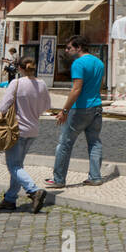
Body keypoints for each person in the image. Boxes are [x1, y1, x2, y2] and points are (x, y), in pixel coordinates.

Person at [0, 57, 53, 213]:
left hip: (17, 129)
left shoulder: (16, 83)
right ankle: (10, 199)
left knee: (13, 166)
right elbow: (47, 106)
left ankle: (34, 191)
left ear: (19, 68)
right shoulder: (41, 84)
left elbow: (3, 106)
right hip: (33, 129)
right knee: (18, 166)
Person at [47, 37, 105, 188]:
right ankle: (95, 177)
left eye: (68, 48)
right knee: (94, 143)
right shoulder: (99, 62)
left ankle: (58, 179)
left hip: (80, 108)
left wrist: (64, 110)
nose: (66, 51)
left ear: (78, 47)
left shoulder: (78, 64)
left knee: (65, 143)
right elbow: (100, 85)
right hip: (96, 107)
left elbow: (76, 89)